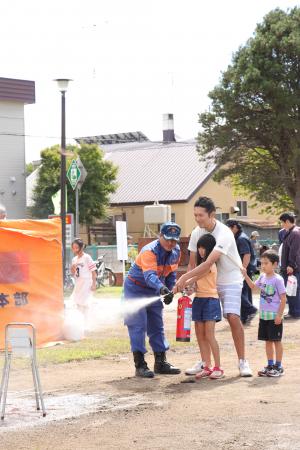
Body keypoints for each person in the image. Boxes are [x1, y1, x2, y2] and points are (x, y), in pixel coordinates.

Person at [176, 197, 252, 377]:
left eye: (200, 215)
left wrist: (185, 279)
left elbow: (210, 261)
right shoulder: (196, 232)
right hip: (207, 281)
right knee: (200, 324)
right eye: (195, 215)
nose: (197, 219)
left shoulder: (224, 233)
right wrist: (190, 283)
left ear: (212, 215)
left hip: (230, 279)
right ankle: (205, 363)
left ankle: (242, 361)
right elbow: (193, 262)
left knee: (233, 317)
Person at [124, 222, 181, 378]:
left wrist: (169, 291)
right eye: (168, 239)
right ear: (160, 236)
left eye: (174, 240)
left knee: (157, 324)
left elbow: (170, 273)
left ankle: (161, 363)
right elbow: (149, 276)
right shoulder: (149, 251)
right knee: (138, 325)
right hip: (135, 289)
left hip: (154, 289)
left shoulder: (176, 251)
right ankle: (140, 365)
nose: (171, 243)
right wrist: (162, 289)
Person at [183, 234, 223, 379]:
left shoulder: (209, 265)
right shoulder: (201, 265)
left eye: (203, 248)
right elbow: (196, 283)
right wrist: (189, 289)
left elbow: (196, 277)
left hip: (210, 301)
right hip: (198, 301)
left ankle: (218, 367)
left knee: (209, 335)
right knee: (200, 335)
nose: (200, 251)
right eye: (199, 247)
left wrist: (183, 282)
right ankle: (207, 366)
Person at [242, 251, 286, 377]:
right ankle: (270, 365)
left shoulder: (278, 280)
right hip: (264, 316)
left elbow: (283, 299)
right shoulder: (262, 277)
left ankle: (278, 366)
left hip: (274, 316)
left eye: (266, 263)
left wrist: (279, 315)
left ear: (275, 264)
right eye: (262, 263)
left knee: (276, 341)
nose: (263, 266)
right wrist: (245, 274)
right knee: (267, 341)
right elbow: (253, 287)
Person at [226, 220, 257, 324]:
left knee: (241, 292)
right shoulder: (238, 237)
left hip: (244, 270)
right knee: (244, 292)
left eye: (229, 227)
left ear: (235, 227)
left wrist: (243, 270)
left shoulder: (241, 238)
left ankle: (249, 311)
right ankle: (247, 315)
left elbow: (247, 255)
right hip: (243, 270)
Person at [71, 238, 97, 327]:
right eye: (73, 248)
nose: (75, 250)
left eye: (76, 248)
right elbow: (73, 273)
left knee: (85, 303)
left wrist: (94, 283)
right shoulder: (74, 259)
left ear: (81, 248)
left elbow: (93, 271)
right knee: (77, 302)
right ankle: (80, 322)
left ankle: (87, 323)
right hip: (78, 283)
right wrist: (72, 268)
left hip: (87, 282)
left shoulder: (87, 257)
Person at [279, 212, 300, 319]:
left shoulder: (295, 233)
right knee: (291, 289)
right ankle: (293, 311)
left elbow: (294, 251)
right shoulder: (290, 232)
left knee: (294, 289)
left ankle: (295, 312)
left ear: (287, 221)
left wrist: (291, 265)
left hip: (292, 268)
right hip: (288, 267)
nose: (281, 225)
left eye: (282, 222)